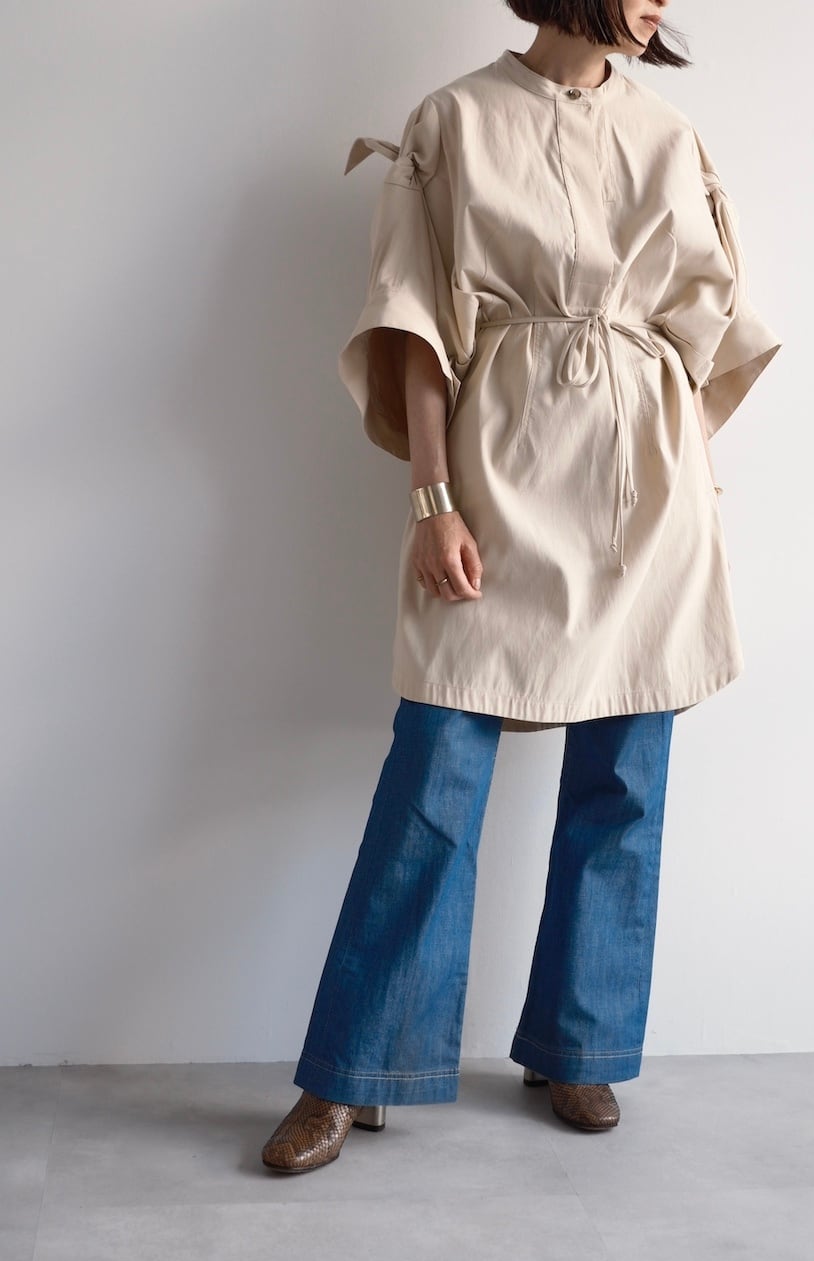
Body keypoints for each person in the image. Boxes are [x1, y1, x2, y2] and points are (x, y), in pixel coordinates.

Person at [262, 0, 781, 1174]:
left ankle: (577, 1045)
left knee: (624, 777)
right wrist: (432, 501)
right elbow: (415, 325)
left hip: (643, 488)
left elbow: (706, 324)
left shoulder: (668, 135)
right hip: (497, 473)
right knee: (435, 770)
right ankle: (351, 1071)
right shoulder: (453, 121)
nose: (661, 2)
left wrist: (673, 472)